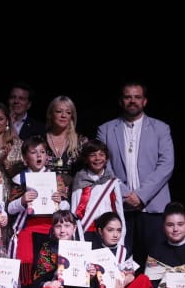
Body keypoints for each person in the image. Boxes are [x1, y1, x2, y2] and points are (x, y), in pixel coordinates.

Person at [96, 81, 175, 267]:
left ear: (145, 101)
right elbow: (102, 166)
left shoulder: (161, 128)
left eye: (137, 97)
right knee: (120, 262)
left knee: (156, 262)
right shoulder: (105, 130)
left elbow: (166, 165)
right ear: (121, 101)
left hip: (153, 207)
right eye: (128, 97)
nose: (133, 101)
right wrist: (125, 194)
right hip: (120, 207)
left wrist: (140, 195)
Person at [27, 210, 99, 288]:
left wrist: (92, 276)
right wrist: (48, 283)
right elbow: (38, 279)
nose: (62, 230)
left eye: (67, 226)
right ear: (53, 229)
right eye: (58, 226)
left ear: (74, 228)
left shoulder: (83, 249)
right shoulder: (47, 248)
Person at [86, 210, 155, 288]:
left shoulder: (124, 251)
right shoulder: (92, 252)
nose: (115, 234)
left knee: (143, 281)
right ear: (100, 231)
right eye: (110, 230)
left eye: (119, 230)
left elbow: (131, 275)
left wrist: (124, 281)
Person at [5, 136, 66, 281]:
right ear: (26, 158)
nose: (39, 155)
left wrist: (60, 201)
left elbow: (67, 207)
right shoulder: (19, 178)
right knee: (27, 263)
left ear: (47, 156)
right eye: (33, 152)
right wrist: (22, 200)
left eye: (42, 152)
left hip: (51, 227)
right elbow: (10, 209)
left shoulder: (55, 178)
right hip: (28, 227)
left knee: (48, 265)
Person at [70, 139, 126, 239]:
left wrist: (122, 237)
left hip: (108, 232)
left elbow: (119, 211)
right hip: (86, 230)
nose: (97, 158)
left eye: (101, 154)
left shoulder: (112, 181)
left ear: (106, 158)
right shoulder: (80, 179)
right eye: (92, 155)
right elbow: (74, 210)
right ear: (86, 159)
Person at [43, 95, 85, 190]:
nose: (63, 115)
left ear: (72, 117)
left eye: (68, 112)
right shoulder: (39, 141)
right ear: (50, 114)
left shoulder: (82, 142)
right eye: (59, 111)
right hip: (45, 194)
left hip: (75, 195)